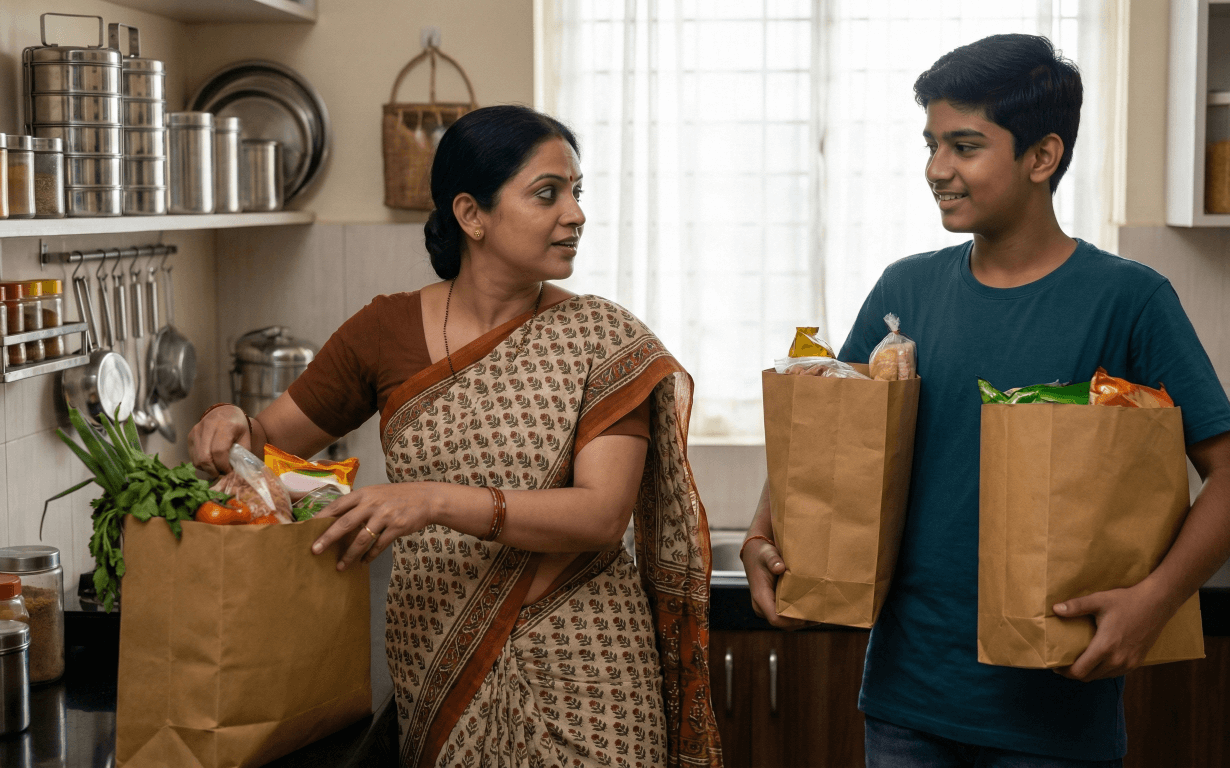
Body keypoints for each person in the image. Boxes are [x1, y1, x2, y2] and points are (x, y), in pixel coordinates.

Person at [741, 34, 1230, 767]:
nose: (938, 169)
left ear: (1042, 157)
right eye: (932, 144)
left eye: (965, 146)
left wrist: (1153, 600)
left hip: (1056, 712)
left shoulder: (1129, 299)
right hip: (907, 702)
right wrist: (759, 537)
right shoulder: (904, 291)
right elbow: (825, 437)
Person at [189, 105, 723, 768]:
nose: (576, 214)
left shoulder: (603, 340)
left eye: (577, 193)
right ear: (471, 215)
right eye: (547, 193)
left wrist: (435, 500)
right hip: (438, 662)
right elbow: (267, 448)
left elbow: (600, 513)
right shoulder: (382, 333)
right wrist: (226, 420)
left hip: (589, 664)